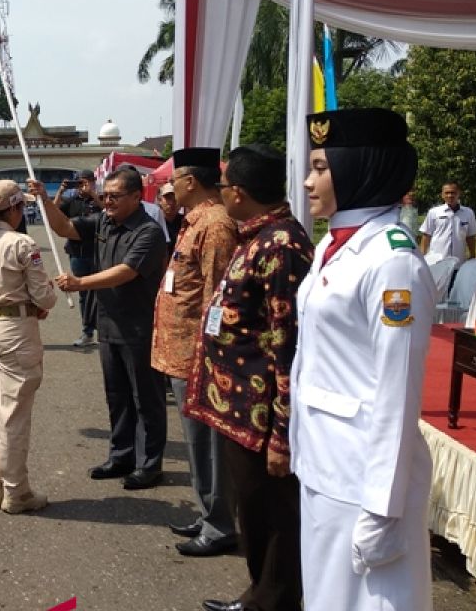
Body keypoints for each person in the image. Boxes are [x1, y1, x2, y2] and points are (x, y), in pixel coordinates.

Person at [292, 108, 436, 611]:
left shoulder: (392, 260)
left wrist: (383, 508)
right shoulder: (331, 244)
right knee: (326, 597)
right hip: (322, 462)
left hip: (363, 477)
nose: (307, 182)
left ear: (360, 167)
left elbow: (397, 396)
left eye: (320, 168)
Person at [185, 145, 313, 611]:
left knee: (273, 516)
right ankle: (259, 594)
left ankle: (273, 600)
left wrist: (282, 433)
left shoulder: (280, 244)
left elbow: (287, 343)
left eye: (223, 187)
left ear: (237, 192)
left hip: (259, 415)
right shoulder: (258, 235)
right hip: (238, 406)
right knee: (254, 513)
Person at [31, 167, 169, 491]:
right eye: (105, 195)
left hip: (138, 326)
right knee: (117, 395)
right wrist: (44, 200)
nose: (107, 201)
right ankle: (121, 455)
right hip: (109, 324)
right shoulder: (104, 221)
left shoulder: (148, 232)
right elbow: (65, 227)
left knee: (145, 398)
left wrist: (79, 283)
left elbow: (126, 271)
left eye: (115, 196)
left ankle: (150, 464)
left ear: (137, 197)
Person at [151, 147, 238, 557]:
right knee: (195, 443)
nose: (169, 186)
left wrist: (207, 356)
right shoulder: (193, 222)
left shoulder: (216, 225)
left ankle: (221, 523)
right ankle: (208, 512)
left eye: (175, 178)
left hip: (196, 356)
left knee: (208, 444)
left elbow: (215, 298)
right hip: (179, 353)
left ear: (192, 181)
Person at [0, 179, 57, 514]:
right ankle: (16, 491)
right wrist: (48, 294)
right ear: (16, 208)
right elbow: (44, 296)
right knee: (14, 416)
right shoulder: (22, 244)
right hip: (15, 329)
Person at [54, 170, 99, 347]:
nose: (82, 186)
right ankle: (87, 332)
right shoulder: (72, 201)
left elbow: (108, 211)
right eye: (79, 183)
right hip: (77, 254)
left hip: (99, 252)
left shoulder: (101, 199)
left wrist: (93, 194)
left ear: (93, 182)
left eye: (85, 182)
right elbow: (53, 209)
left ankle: (106, 332)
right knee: (84, 294)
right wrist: (60, 191)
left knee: (104, 293)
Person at [419, 182, 476, 262]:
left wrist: (472, 255)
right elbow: (426, 235)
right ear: (442, 195)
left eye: (453, 192)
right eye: (447, 193)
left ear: (459, 193)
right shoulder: (434, 212)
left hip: (459, 261)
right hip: (437, 261)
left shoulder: (468, 213)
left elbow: (470, 236)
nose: (450, 195)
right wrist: (422, 256)